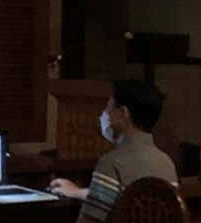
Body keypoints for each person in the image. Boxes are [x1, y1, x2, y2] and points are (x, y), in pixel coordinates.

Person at [50, 80, 178, 221]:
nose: (105, 114)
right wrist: (79, 192)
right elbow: (132, 201)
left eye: (108, 107)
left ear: (121, 114)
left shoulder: (112, 163)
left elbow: (88, 220)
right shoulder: (166, 163)